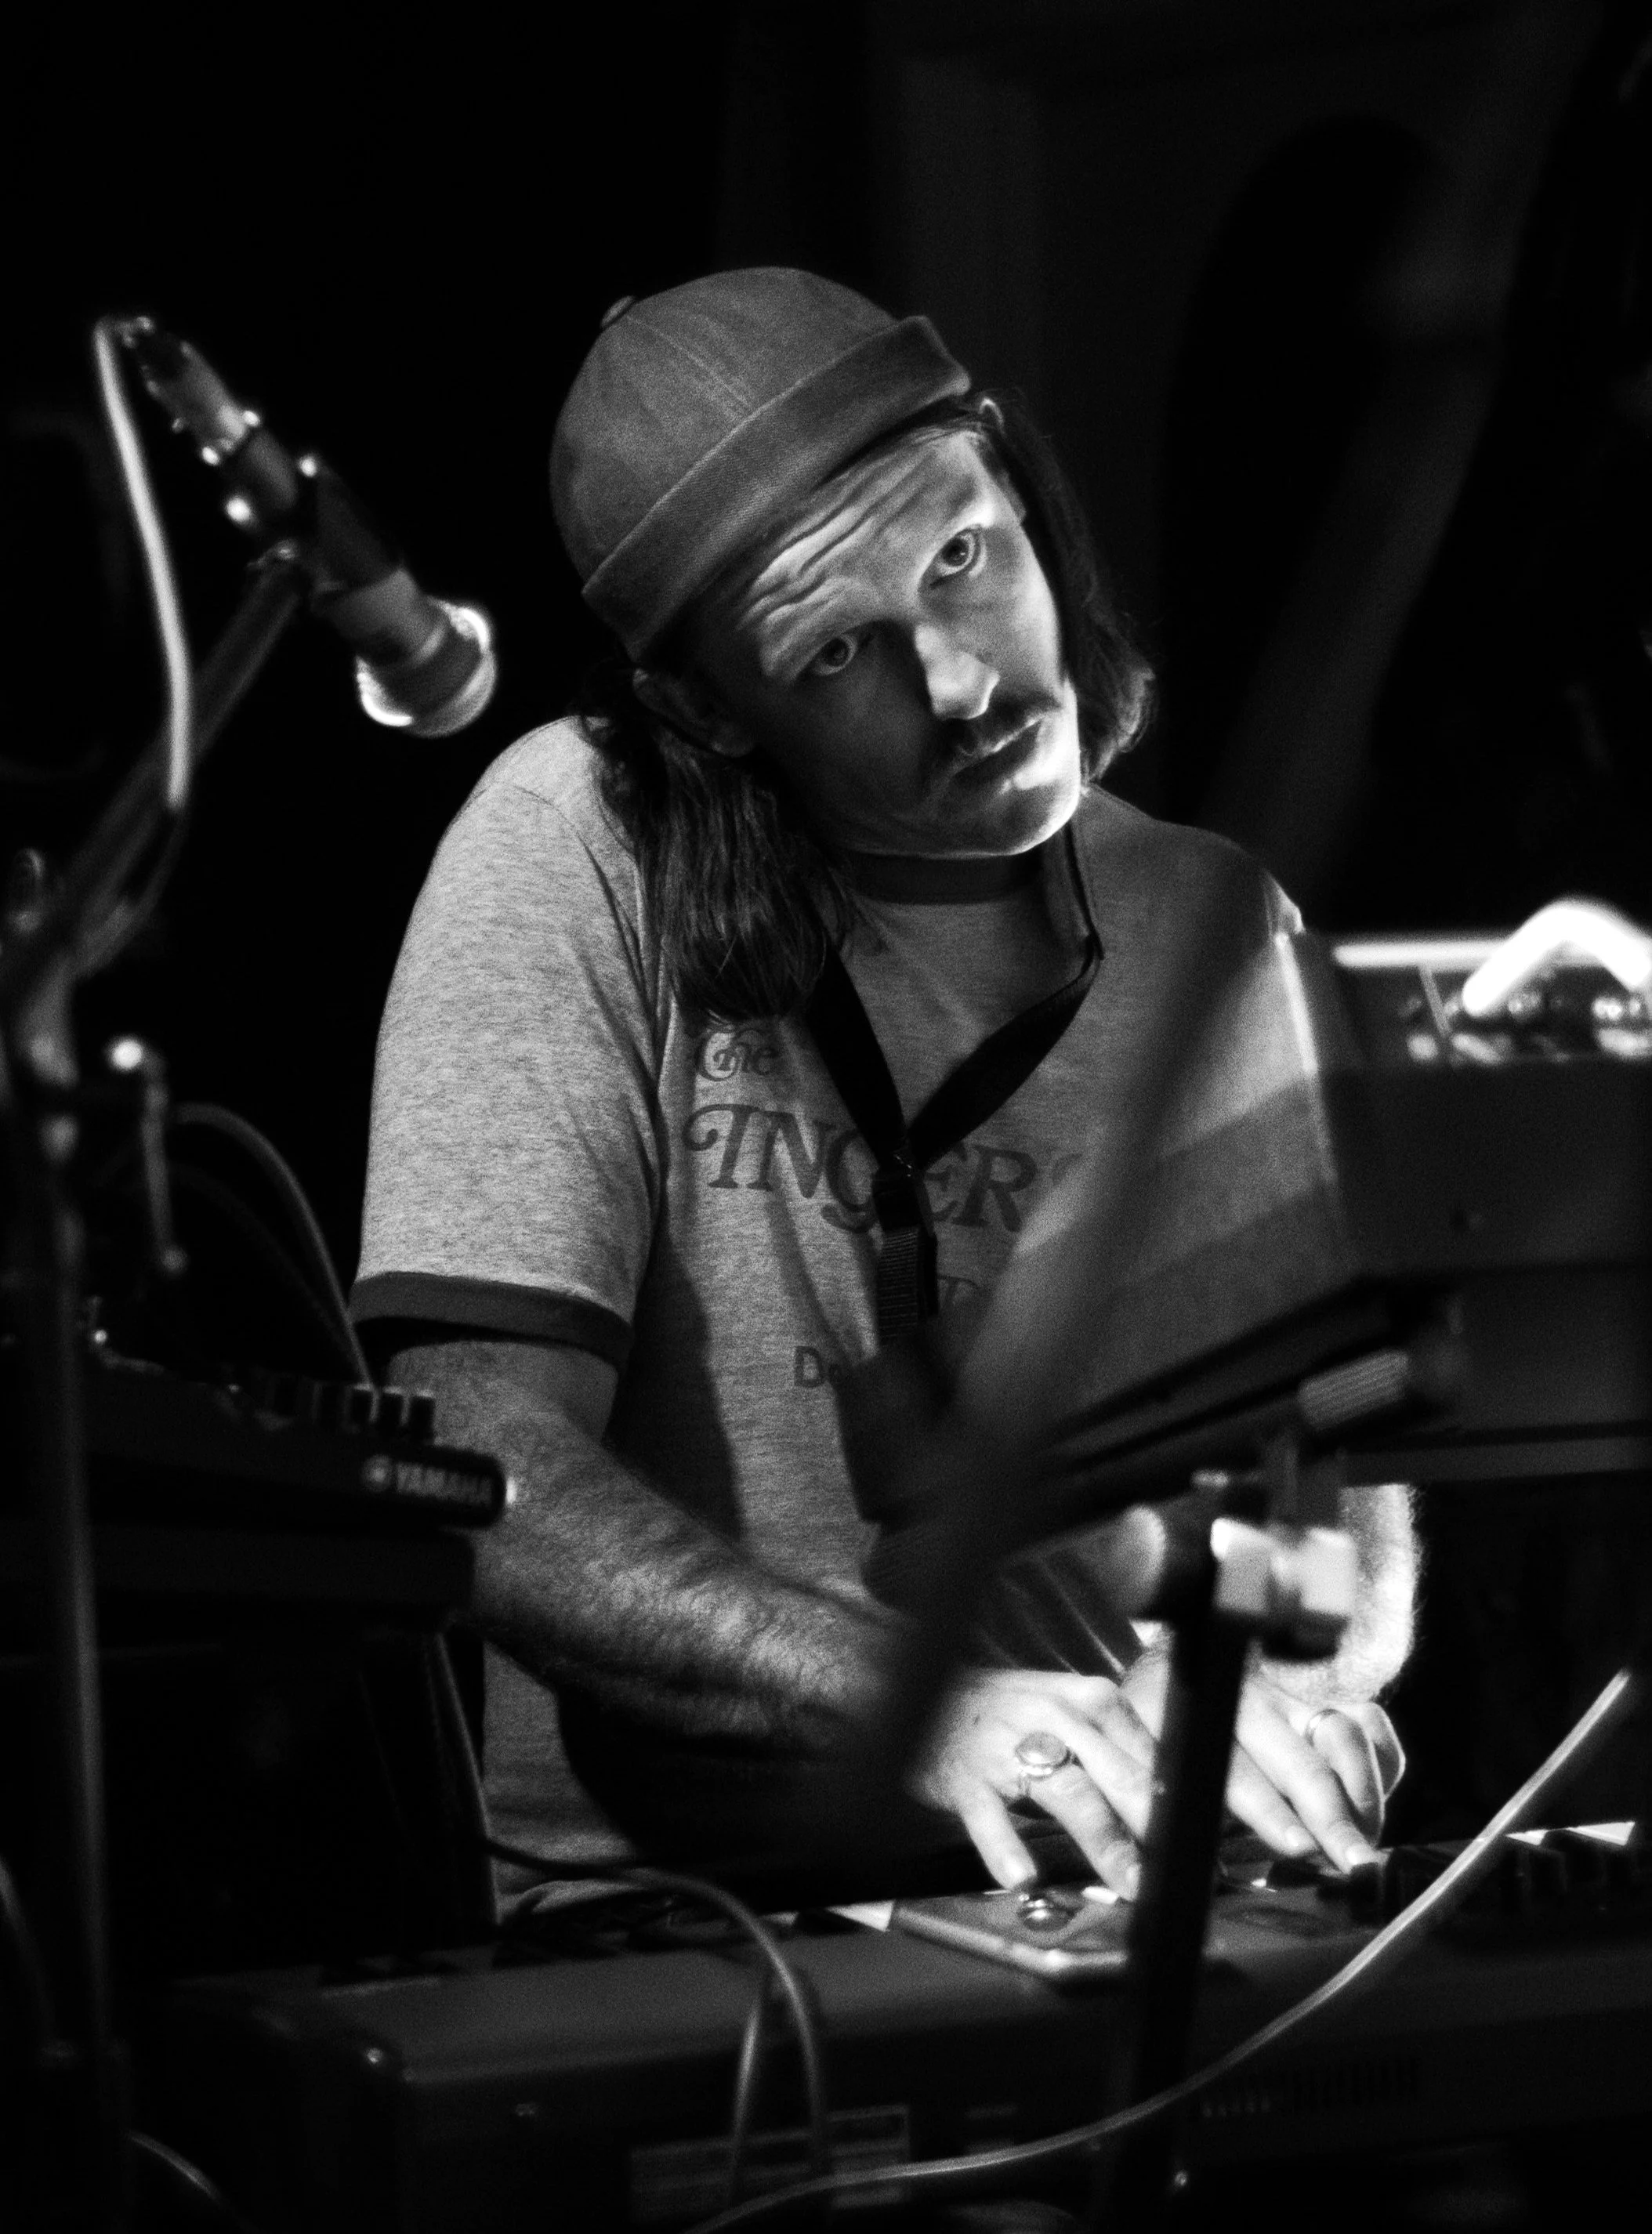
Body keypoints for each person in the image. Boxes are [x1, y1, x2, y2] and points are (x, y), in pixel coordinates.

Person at [351, 268, 1413, 1899]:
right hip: (686, 1930)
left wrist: (1282, 1680)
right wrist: (929, 1711)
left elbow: (1318, 1464)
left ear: (1015, 483)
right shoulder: (571, 838)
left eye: (964, 560)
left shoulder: (1217, 920)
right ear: (704, 708)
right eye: (840, 649)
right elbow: (475, 1465)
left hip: (1124, 1891)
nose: (966, 685)